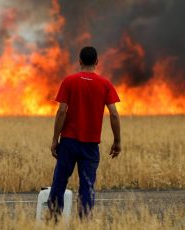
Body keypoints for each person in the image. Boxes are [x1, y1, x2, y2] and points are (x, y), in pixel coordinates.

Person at [47, 46, 121, 221]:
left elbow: (62, 111)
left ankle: (54, 220)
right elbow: (114, 114)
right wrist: (117, 141)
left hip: (68, 142)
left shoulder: (69, 81)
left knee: (59, 182)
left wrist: (55, 139)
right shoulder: (105, 84)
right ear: (96, 62)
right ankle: (85, 222)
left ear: (79, 61)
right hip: (90, 145)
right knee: (87, 186)